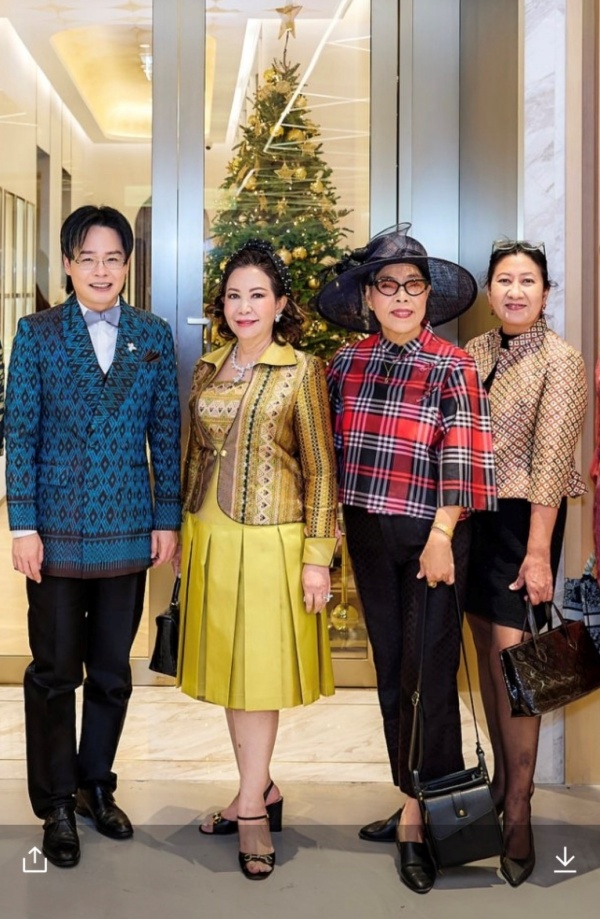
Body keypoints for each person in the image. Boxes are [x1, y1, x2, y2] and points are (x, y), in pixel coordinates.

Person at [318, 225, 497, 894]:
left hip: (432, 537)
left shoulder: (452, 364)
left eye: (412, 285)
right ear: (369, 296)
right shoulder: (346, 363)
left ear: (427, 296)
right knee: (392, 669)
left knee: (429, 671)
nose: (400, 296)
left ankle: (421, 820)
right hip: (368, 532)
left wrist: (443, 533)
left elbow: (464, 456)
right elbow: (330, 454)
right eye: (387, 285)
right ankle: (410, 795)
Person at [4, 205, 181, 868]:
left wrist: (167, 518)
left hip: (128, 530)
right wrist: (23, 524)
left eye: (113, 258)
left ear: (127, 265)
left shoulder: (152, 334)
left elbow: (165, 431)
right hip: (53, 533)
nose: (101, 271)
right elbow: (20, 431)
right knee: (55, 672)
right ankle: (55, 802)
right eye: (88, 258)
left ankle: (95, 785)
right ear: (68, 265)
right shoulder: (37, 333)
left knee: (111, 671)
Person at [178, 239, 337, 881]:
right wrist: (182, 535)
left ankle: (250, 810)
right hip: (209, 535)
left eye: (257, 295)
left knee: (259, 675)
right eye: (234, 296)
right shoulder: (208, 366)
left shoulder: (302, 371)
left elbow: (322, 469)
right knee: (229, 671)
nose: (244, 307)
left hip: (275, 539)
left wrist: (318, 557)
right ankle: (259, 787)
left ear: (280, 304)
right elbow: (194, 453)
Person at [464, 239, 587, 887]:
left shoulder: (560, 360)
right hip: (474, 520)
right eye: (505, 281)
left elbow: (551, 465)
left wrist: (539, 553)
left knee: (516, 663)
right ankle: (498, 784)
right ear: (489, 293)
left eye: (528, 281)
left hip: (524, 523)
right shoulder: (474, 351)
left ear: (545, 292)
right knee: (486, 649)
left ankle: (519, 805)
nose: (515, 291)